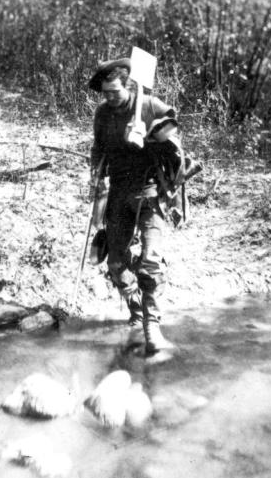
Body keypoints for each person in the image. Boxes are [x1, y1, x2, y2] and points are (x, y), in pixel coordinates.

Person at [88, 57, 181, 355]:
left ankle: (152, 327)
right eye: (105, 93)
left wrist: (153, 138)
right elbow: (98, 148)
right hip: (117, 191)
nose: (110, 98)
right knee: (115, 261)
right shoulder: (103, 114)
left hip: (150, 190)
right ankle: (136, 306)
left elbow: (176, 144)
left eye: (115, 92)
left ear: (128, 86)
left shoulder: (149, 105)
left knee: (151, 261)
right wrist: (96, 174)